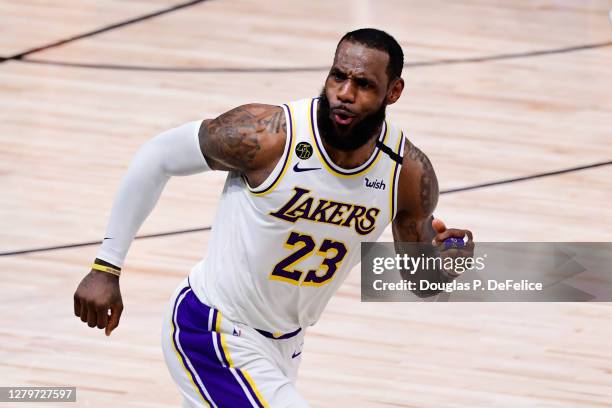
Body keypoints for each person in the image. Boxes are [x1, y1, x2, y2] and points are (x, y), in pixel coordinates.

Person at [73, 28, 474, 407]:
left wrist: (452, 258)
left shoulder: (408, 174)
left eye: (364, 84)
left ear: (394, 91)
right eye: (338, 77)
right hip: (212, 329)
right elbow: (158, 156)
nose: (344, 94)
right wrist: (106, 266)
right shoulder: (269, 136)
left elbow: (423, 280)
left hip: (286, 345)